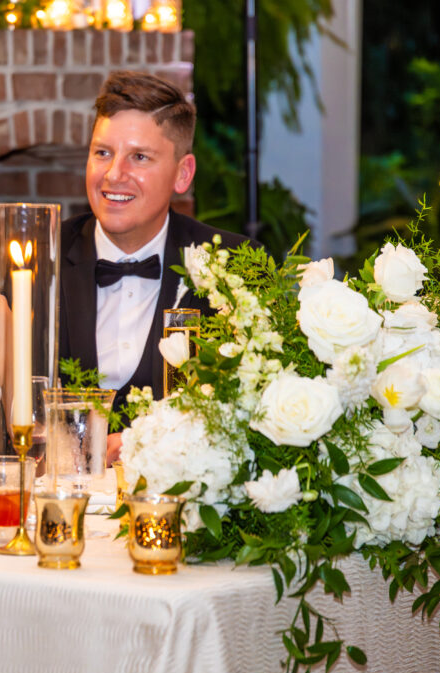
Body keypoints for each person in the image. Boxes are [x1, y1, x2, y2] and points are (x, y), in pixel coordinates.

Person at [57, 71, 256, 460]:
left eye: (140, 157)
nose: (114, 174)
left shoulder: (235, 268)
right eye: (102, 153)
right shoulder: (31, 259)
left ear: (183, 174)